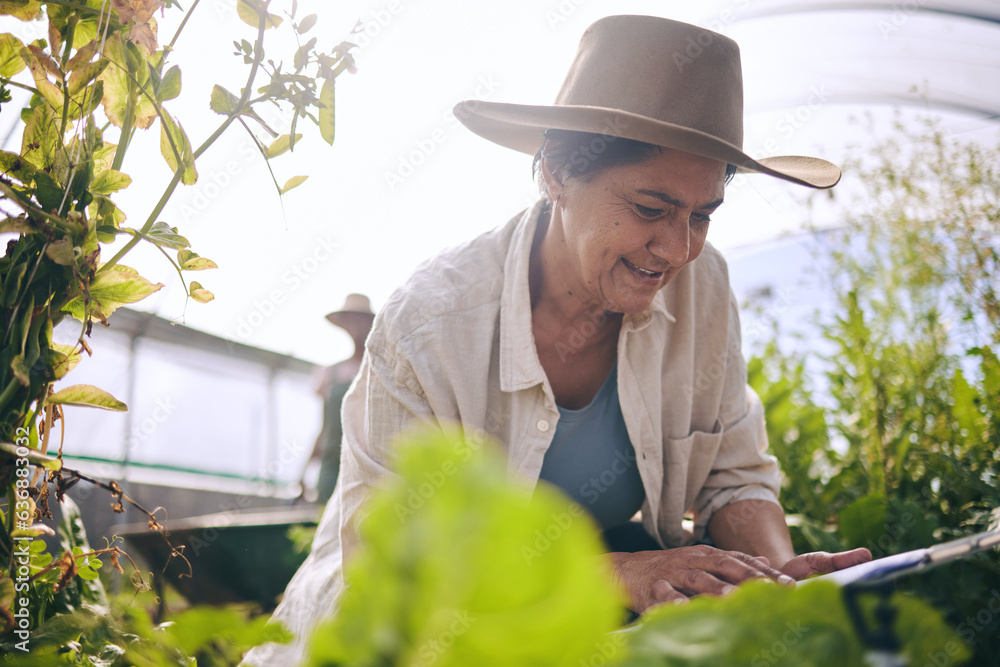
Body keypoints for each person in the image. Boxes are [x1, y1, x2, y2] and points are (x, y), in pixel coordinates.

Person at [243, 15, 870, 665]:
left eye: (702, 214)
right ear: (558, 175)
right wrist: (613, 572)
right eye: (652, 209)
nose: (679, 247)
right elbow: (393, 564)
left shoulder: (701, 286)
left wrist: (775, 579)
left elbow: (733, 476)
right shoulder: (430, 326)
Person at [303, 294, 375, 503]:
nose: (356, 326)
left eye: (360, 319)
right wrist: (304, 473)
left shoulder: (377, 369)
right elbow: (325, 427)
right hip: (332, 465)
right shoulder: (329, 372)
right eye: (350, 319)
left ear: (370, 323)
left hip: (366, 464)